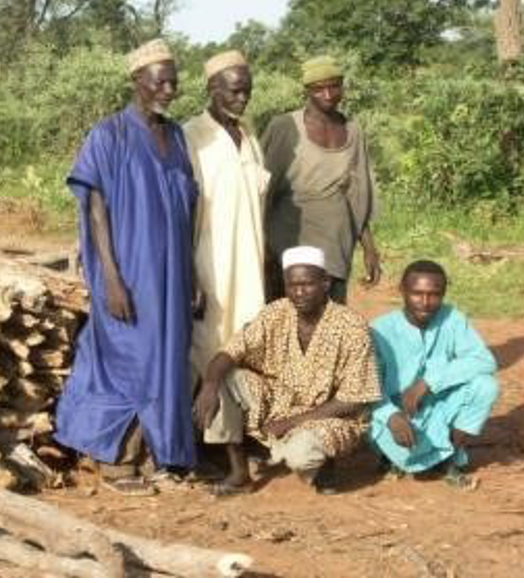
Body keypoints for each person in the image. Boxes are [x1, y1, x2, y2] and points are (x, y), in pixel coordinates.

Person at [54, 39, 200, 495]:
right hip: (128, 272)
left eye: (173, 80)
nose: (169, 89)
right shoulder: (109, 133)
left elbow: (186, 208)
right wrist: (111, 279)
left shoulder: (175, 135)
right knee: (125, 358)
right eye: (159, 80)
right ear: (137, 81)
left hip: (172, 273)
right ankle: (116, 458)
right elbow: (95, 208)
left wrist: (192, 273)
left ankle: (162, 453)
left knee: (166, 359)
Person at [192, 246, 383, 495]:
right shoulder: (277, 312)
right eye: (292, 285)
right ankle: (239, 472)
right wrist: (209, 385)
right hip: (279, 400)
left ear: (325, 283)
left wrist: (290, 423)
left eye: (307, 284)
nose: (299, 292)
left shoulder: (351, 326)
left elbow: (353, 401)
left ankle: (324, 465)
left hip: (329, 415)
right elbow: (231, 350)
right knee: (226, 378)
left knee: (301, 455)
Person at [183, 50, 269, 459]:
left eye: (247, 91)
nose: (242, 99)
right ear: (212, 90)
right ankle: (205, 443)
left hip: (250, 264)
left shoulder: (248, 133)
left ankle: (237, 434)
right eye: (235, 91)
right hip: (210, 264)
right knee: (208, 349)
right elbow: (183, 213)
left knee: (246, 344)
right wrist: (191, 276)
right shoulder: (192, 136)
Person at [370, 260, 499, 490]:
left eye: (434, 294)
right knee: (403, 443)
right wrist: (391, 416)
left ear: (444, 293)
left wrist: (428, 382)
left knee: (486, 386)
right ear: (402, 291)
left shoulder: (453, 319)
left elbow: (484, 360)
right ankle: (400, 457)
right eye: (417, 294)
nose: (426, 302)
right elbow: (365, 387)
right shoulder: (379, 330)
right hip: (397, 418)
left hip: (438, 408)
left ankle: (448, 457)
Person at [261, 56, 381, 302]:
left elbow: (359, 196)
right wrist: (265, 249)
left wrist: (369, 247)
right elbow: (264, 191)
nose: (328, 95)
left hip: (336, 240)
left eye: (334, 86)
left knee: (331, 313)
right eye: (318, 89)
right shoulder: (285, 127)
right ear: (307, 91)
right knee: (288, 313)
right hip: (288, 236)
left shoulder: (353, 130)